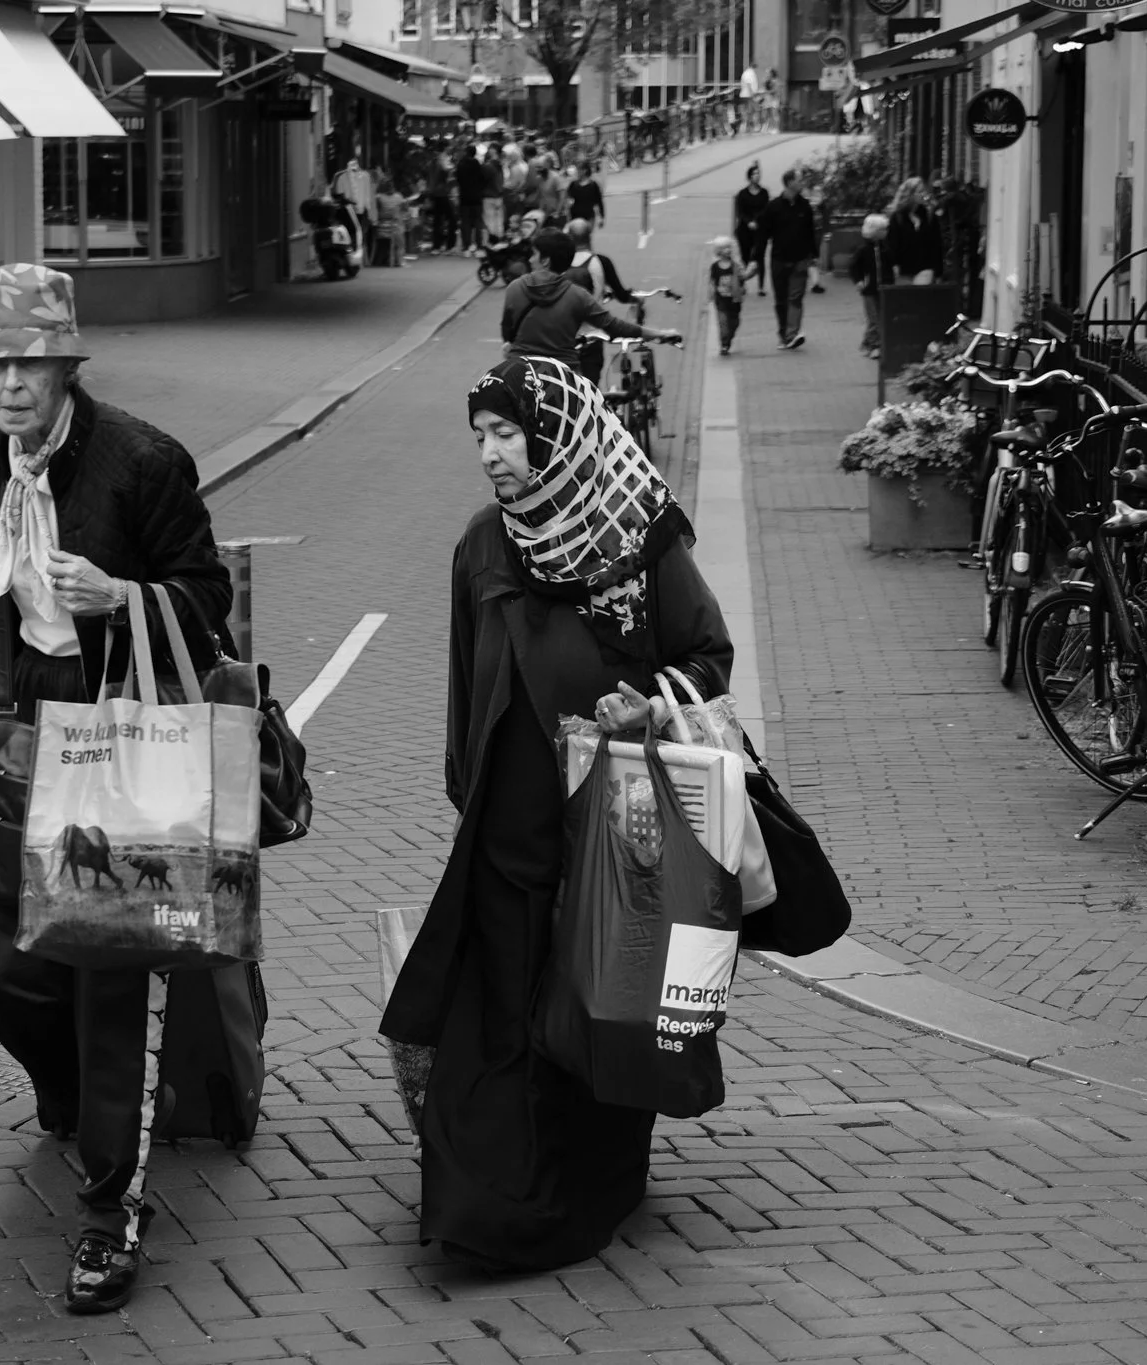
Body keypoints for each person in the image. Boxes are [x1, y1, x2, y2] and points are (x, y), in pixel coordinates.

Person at [381, 354, 733, 1272]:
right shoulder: (483, 545)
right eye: (482, 438)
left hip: (616, 833)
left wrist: (650, 702)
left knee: (599, 1007)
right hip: (509, 829)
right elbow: (466, 682)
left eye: (507, 433)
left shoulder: (642, 535)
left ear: (560, 432)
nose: (492, 455)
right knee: (499, 1016)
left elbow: (706, 655)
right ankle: (484, 1205)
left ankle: (595, 1179)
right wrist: (469, 786)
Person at [0, 264, 232, 1316]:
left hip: (121, 748)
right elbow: (5, 613)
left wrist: (120, 596)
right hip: (31, 737)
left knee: (113, 988)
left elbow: (207, 600)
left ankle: (111, 1215)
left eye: (28, 363)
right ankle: (76, 1098)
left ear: (65, 367)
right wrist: (0, 720)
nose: (9, 384)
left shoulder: (142, 461)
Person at [502, 229, 679, 388]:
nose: (530, 259)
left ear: (545, 260)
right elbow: (615, 327)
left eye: (534, 254)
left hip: (522, 375)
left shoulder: (515, 289)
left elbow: (508, 335)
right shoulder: (578, 296)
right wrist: (660, 334)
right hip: (563, 379)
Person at [565, 219, 640, 383]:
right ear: (589, 237)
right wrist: (635, 298)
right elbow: (621, 295)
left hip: (565, 336)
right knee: (590, 388)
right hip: (592, 335)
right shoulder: (601, 261)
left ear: (569, 238)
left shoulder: (560, 263)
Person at [759, 169, 818, 349]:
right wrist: (756, 259)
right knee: (781, 300)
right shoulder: (773, 207)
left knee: (795, 298)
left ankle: (792, 334)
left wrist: (814, 256)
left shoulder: (805, 207)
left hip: (800, 260)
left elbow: (810, 233)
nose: (803, 184)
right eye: (800, 180)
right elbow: (763, 234)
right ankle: (783, 333)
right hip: (779, 260)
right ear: (790, 182)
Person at [885, 177, 943, 285]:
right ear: (910, 194)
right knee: (906, 300)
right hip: (903, 268)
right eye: (919, 191)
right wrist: (894, 264)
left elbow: (937, 244)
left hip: (925, 267)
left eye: (923, 191)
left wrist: (938, 271)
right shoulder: (898, 217)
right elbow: (891, 244)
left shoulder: (929, 216)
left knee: (920, 297)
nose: (923, 194)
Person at [850, 213, 893, 359]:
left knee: (880, 316)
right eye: (882, 230)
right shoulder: (863, 250)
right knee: (873, 318)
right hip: (869, 289)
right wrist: (859, 280)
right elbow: (854, 266)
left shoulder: (885, 249)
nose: (885, 232)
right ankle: (875, 345)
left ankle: (869, 342)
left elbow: (889, 265)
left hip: (884, 288)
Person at [732, 163, 770, 296]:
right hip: (745, 229)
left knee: (760, 257)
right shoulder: (742, 194)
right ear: (749, 177)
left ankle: (761, 287)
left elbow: (766, 209)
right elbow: (740, 212)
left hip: (760, 229)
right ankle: (743, 285)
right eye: (754, 174)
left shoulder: (764, 193)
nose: (757, 176)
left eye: (758, 174)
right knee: (745, 257)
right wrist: (748, 222)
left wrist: (756, 221)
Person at [708, 237, 747, 356]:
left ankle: (729, 338)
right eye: (724, 248)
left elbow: (742, 279)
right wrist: (710, 293)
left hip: (734, 300)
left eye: (729, 247)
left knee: (734, 322)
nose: (728, 250)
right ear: (719, 251)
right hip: (721, 300)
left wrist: (743, 285)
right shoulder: (715, 266)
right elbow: (712, 281)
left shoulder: (736, 265)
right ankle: (724, 344)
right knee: (723, 322)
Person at [455, 143, 487, 252]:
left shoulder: (461, 164)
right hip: (477, 196)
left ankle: (466, 244)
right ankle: (479, 243)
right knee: (478, 220)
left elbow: (458, 179)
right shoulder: (477, 164)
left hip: (464, 196)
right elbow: (482, 179)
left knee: (465, 221)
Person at [564, 162, 604, 230]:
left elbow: (599, 202)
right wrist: (567, 211)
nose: (577, 172)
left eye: (579, 170)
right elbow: (568, 199)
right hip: (575, 216)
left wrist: (601, 217)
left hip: (589, 216)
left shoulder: (593, 185)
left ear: (585, 171)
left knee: (586, 237)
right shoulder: (573, 184)